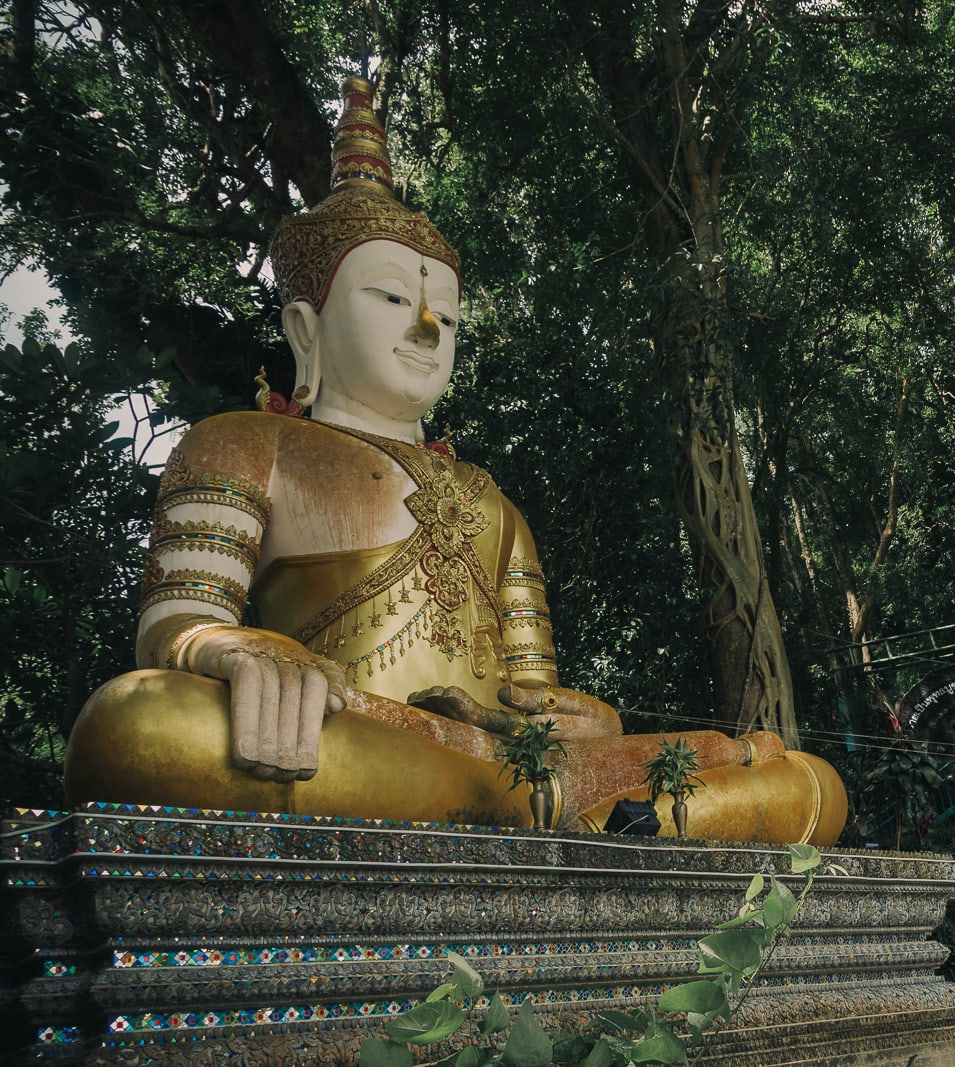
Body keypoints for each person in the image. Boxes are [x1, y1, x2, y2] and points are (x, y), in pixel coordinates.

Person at [63, 77, 845, 846]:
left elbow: (527, 698)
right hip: (360, 738)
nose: (430, 327)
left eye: (447, 311)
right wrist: (230, 646)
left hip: (505, 763)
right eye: (394, 299)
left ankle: (550, 806)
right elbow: (180, 624)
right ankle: (575, 819)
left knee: (810, 780)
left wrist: (587, 719)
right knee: (139, 726)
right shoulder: (244, 442)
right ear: (307, 328)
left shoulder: (490, 500)